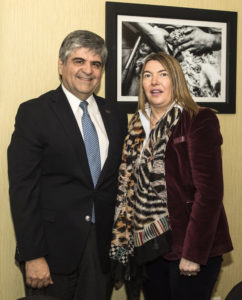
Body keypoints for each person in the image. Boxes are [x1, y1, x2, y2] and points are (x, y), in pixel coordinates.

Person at [8, 30, 127, 300]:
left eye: (96, 64)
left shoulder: (116, 115)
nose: (88, 70)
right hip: (51, 251)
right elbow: (22, 189)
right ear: (61, 65)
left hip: (101, 251)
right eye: (79, 61)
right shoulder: (34, 113)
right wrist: (33, 255)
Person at [110, 51, 233, 300]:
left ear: (175, 80)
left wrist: (193, 252)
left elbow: (209, 193)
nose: (154, 82)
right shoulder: (135, 126)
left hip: (190, 247)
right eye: (147, 75)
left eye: (163, 74)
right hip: (150, 247)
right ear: (141, 84)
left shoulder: (197, 119)